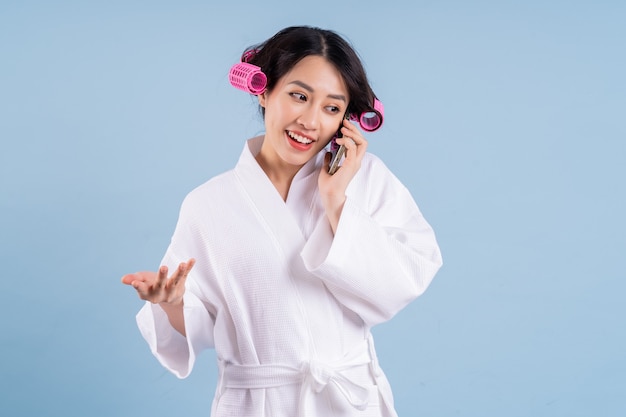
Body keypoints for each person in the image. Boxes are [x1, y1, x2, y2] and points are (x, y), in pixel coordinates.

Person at [122, 25, 442, 417]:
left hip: (348, 401)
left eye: (331, 107)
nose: (310, 121)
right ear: (263, 88)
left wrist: (336, 200)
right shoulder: (208, 204)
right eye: (299, 96)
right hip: (257, 404)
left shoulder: (365, 180)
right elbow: (197, 323)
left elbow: (402, 282)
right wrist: (171, 304)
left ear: (348, 119)